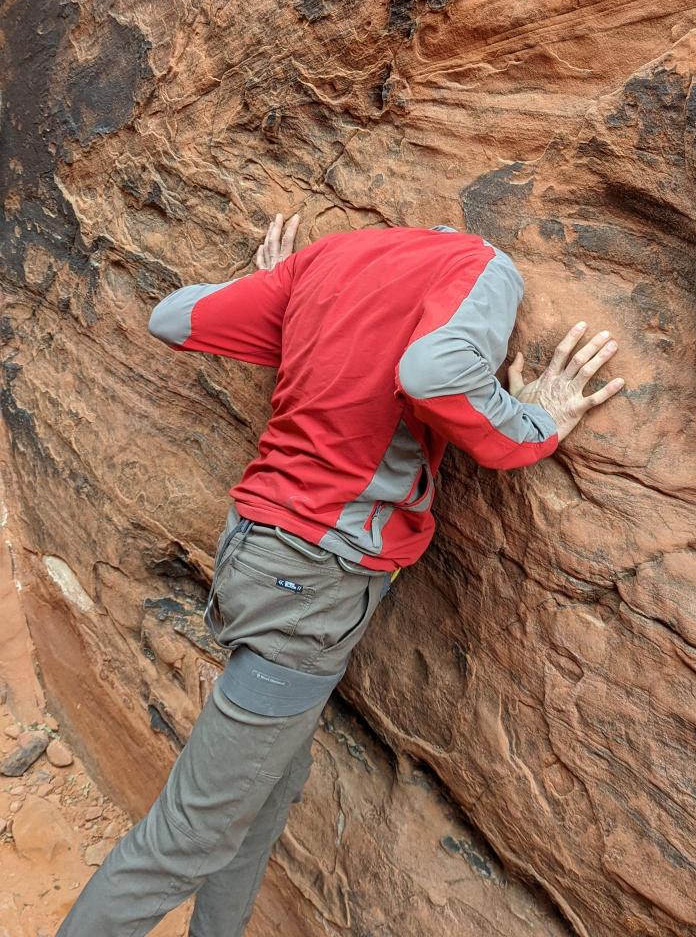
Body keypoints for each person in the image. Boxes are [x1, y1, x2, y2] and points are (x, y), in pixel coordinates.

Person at [56, 215, 623, 936]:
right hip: (310, 581)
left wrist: (275, 290)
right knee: (184, 840)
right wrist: (530, 421)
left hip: (257, 549)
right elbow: (432, 371)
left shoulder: (329, 257)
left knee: (266, 793)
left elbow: (173, 317)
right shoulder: (479, 264)